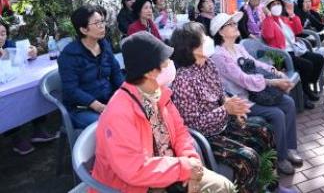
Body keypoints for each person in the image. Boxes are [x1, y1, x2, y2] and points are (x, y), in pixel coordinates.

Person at [92, 31, 234, 193]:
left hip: (173, 168)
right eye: (165, 60)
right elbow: (134, 170)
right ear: (149, 72)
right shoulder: (119, 112)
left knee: (224, 187)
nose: (169, 64)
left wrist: (192, 163)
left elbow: (181, 132)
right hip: (139, 185)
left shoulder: (159, 94)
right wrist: (184, 168)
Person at [170, 22, 275, 192]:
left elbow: (221, 95)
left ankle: (268, 184)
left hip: (224, 123)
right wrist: (226, 110)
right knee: (247, 158)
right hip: (207, 136)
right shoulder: (183, 79)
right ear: (191, 47)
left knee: (265, 130)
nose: (209, 40)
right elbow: (193, 123)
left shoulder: (208, 64)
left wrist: (235, 108)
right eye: (203, 38)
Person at [210, 13, 302, 179]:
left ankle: (289, 149)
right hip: (242, 101)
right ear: (221, 32)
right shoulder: (219, 56)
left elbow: (256, 62)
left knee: (288, 102)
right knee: (277, 114)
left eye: (233, 22)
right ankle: (280, 159)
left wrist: (274, 71)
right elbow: (242, 79)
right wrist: (273, 82)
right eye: (230, 24)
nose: (235, 25)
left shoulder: (238, 47)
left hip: (255, 94)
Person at [58, 5, 124, 129]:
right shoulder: (70, 55)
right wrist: (97, 106)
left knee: (134, 111)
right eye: (97, 23)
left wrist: (125, 93)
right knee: (109, 124)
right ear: (83, 30)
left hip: (107, 100)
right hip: (81, 108)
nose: (102, 26)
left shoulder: (104, 45)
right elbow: (71, 89)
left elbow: (116, 73)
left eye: (102, 21)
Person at [1, 20, 58, 155]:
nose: (0, 37)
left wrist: (33, 51)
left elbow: (23, 56)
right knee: (7, 104)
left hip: (16, 84)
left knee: (33, 92)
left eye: (3, 33)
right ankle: (15, 137)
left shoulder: (8, 45)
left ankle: (39, 128)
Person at [261, 0, 324, 110]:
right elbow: (269, 36)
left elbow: (298, 30)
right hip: (281, 55)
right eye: (273, 4)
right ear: (268, 8)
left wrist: (292, 14)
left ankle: (306, 86)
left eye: (278, 3)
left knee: (319, 59)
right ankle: (305, 94)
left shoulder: (283, 19)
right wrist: (269, 16)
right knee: (307, 65)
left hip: (295, 50)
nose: (277, 6)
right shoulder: (267, 22)